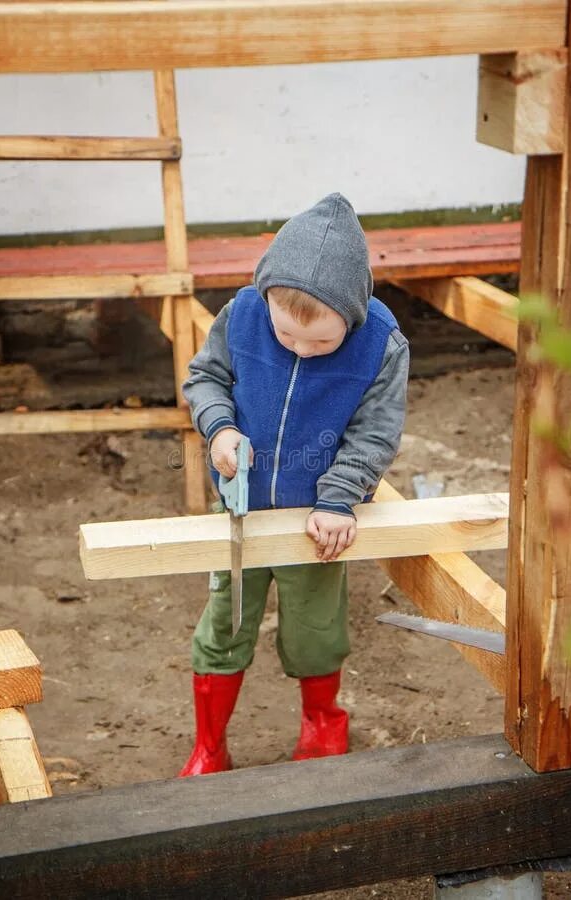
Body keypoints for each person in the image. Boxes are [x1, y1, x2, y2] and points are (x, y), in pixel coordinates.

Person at [180, 192, 409, 776]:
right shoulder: (243, 314)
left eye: (323, 343)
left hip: (319, 519)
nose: (303, 350)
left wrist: (339, 499)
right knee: (225, 622)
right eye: (288, 338)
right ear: (266, 299)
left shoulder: (381, 344)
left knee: (315, 627)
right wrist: (219, 428)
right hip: (242, 507)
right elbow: (205, 378)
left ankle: (322, 724)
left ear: (352, 316)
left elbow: (374, 433)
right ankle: (210, 744)